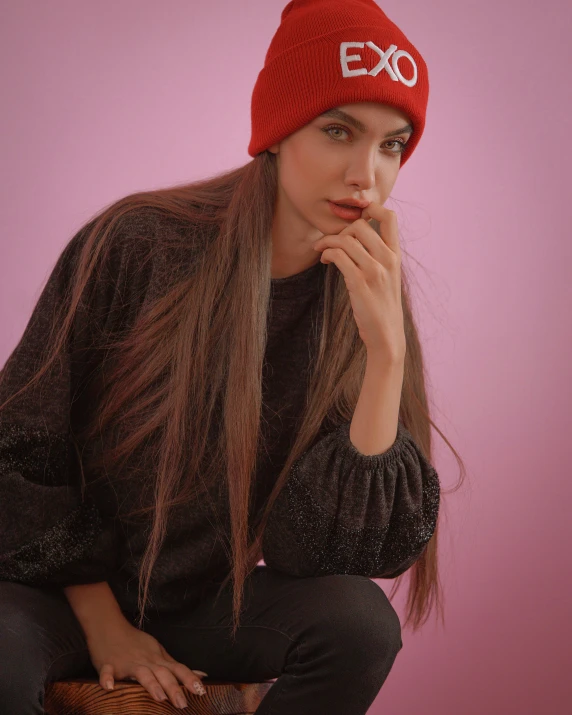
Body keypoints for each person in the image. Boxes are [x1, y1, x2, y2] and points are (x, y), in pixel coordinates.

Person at [0, 1, 457, 713]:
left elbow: (314, 556)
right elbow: (19, 446)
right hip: (52, 588)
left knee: (361, 625)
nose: (366, 174)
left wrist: (385, 358)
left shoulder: (365, 294)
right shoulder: (139, 242)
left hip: (201, 604)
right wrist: (105, 623)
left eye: (392, 144)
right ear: (277, 132)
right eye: (338, 131)